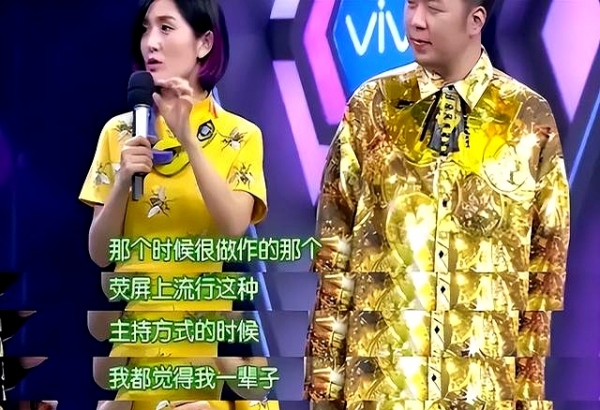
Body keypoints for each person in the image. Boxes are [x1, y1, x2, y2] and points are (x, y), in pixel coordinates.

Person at [304, 0, 570, 408]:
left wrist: (529, 399)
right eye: (410, 4)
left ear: (475, 20)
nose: (416, 20)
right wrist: (324, 395)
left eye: (434, 8)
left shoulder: (527, 118)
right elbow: (334, 259)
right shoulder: (371, 107)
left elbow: (543, 272)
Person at [79, 1, 277, 409]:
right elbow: (100, 252)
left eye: (166, 28)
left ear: (204, 43)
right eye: (146, 28)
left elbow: (233, 227)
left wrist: (188, 138)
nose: (150, 42)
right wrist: (122, 181)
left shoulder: (241, 135)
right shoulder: (118, 133)